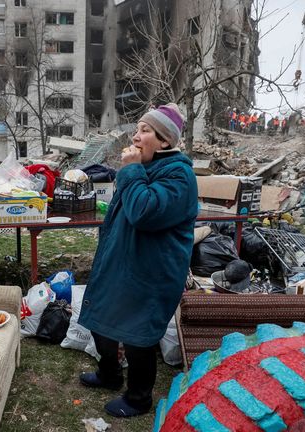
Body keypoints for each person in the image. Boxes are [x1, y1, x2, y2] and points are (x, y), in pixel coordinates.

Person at [77, 103, 199, 418]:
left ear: (165, 141)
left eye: (145, 130)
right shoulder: (144, 168)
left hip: (151, 271)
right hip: (121, 262)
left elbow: (144, 213)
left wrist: (130, 171)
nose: (136, 136)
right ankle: (109, 375)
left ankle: (138, 398)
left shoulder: (179, 175)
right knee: (101, 319)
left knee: (137, 334)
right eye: (138, 129)